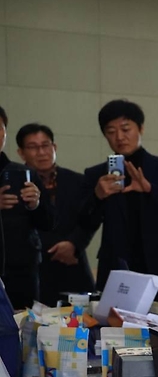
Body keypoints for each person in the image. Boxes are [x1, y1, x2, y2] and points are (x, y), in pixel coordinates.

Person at [79, 99, 158, 305]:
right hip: (117, 268)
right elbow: (85, 222)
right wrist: (97, 195)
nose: (119, 137)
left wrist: (150, 189)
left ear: (140, 128)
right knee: (116, 333)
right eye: (111, 131)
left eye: (125, 129)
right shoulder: (97, 174)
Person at [16, 124, 96, 305]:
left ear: (54, 147)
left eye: (46, 145)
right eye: (33, 147)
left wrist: (73, 244)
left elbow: (90, 219)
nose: (41, 152)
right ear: (21, 153)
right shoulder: (14, 181)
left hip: (73, 265)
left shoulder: (78, 181)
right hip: (35, 268)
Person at [0, 106, 54, 309]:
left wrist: (36, 205)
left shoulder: (24, 173)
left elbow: (49, 222)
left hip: (22, 271)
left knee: (22, 331)